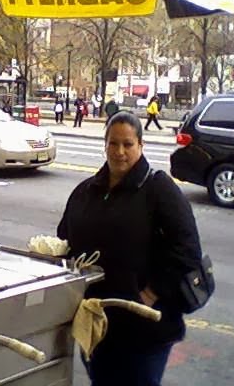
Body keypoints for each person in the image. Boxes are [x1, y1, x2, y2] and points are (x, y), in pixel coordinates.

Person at [57, 112, 203, 386]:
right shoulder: (87, 190)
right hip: (99, 322)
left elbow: (188, 250)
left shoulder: (159, 189)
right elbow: (65, 236)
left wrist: (152, 292)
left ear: (141, 146)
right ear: (105, 145)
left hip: (145, 326)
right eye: (113, 144)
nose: (120, 152)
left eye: (127, 144)